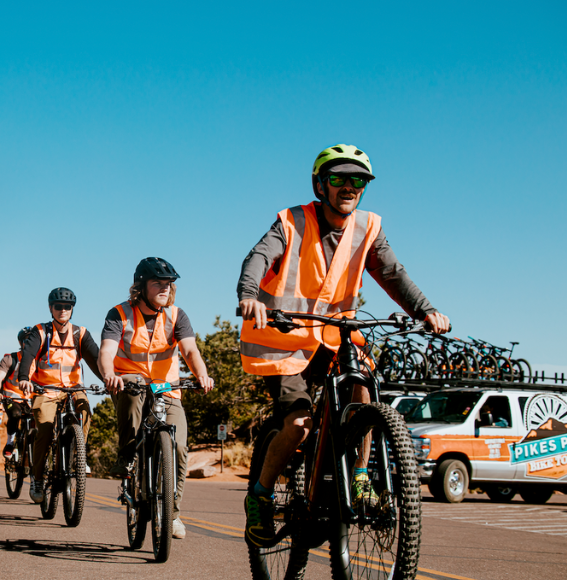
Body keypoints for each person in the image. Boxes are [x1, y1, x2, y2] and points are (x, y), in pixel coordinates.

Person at [237, 144, 450, 548]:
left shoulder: (368, 227)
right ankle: (260, 497)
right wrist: (249, 293)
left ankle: (361, 476)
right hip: (282, 339)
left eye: (358, 180)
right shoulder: (292, 221)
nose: (348, 186)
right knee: (299, 425)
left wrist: (426, 309)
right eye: (338, 178)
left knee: (364, 389)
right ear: (321, 185)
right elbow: (259, 257)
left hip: (334, 336)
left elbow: (392, 273)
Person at [98, 257, 215, 540]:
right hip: (131, 383)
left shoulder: (177, 315)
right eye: (157, 283)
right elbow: (106, 351)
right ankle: (127, 456)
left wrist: (202, 374)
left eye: (168, 284)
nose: (165, 288)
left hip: (166, 388)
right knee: (130, 389)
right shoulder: (119, 314)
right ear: (140, 287)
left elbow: (190, 351)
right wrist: (109, 374)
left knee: (179, 446)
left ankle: (172, 514)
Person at [17, 287, 104, 504]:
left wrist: (108, 380)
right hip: (46, 390)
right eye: (58, 306)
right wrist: (24, 378)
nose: (63, 310)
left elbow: (96, 359)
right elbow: (28, 356)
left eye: (67, 307)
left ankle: (78, 455)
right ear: (51, 309)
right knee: (45, 428)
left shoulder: (80, 334)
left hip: (74, 389)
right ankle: (37, 478)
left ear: (72, 309)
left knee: (84, 411)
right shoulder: (40, 332)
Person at [0, 326, 36, 460]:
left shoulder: (39, 360)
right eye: (26, 341)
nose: (29, 344)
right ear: (20, 343)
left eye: (32, 341)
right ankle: (10, 442)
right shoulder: (10, 359)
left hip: (30, 400)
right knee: (15, 415)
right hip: (11, 397)